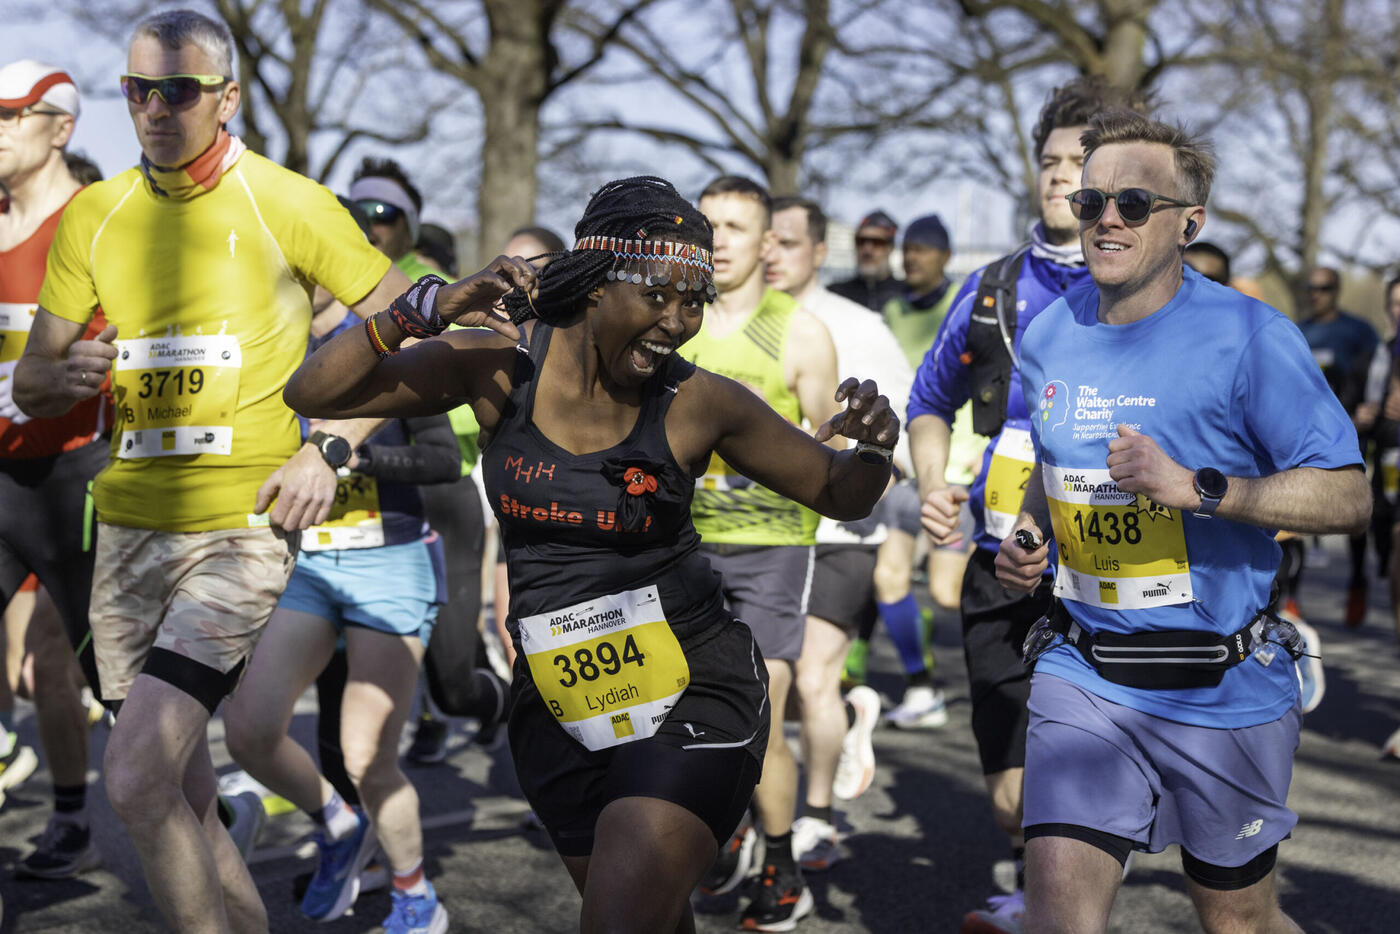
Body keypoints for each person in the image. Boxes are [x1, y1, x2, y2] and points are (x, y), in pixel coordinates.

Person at [281, 175, 899, 934]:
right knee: (649, 917)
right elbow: (315, 393)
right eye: (657, 294)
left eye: (694, 301)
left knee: (618, 919)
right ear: (598, 282)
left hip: (692, 684)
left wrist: (874, 447)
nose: (677, 322)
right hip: (558, 700)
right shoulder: (497, 367)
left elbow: (838, 491)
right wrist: (425, 307)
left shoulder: (699, 402)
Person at [12, 11, 410, 932]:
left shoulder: (289, 202)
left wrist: (330, 444)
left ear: (226, 97)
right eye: (137, 90)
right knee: (180, 794)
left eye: (178, 90)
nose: (154, 108)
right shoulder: (96, 213)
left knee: (134, 776)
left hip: (239, 527)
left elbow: (420, 337)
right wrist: (59, 377)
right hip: (126, 533)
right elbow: (30, 380)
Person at [995, 110, 1368, 934]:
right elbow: (1056, 468)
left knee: (1238, 922)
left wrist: (1199, 490)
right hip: (1085, 674)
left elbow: (1347, 496)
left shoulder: (1249, 337)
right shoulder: (1052, 332)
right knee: (1056, 918)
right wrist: (1027, 537)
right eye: (1091, 202)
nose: (1107, 220)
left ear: (1188, 224)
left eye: (1133, 203)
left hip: (1221, 686)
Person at [912, 76, 1151, 934]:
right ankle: (1047, 880)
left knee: (1085, 770)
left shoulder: (1147, 287)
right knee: (1011, 798)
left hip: (1109, 560)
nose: (1060, 174)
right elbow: (928, 401)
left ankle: (1048, 904)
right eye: (1050, 160)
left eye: (1079, 161)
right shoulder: (991, 289)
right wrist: (933, 483)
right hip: (996, 559)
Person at [225, 297, 460, 930]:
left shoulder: (392, 341)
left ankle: (417, 899)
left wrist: (354, 457)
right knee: (247, 733)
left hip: (388, 560)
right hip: (306, 563)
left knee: (365, 756)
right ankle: (339, 823)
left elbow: (446, 458)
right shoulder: (268, 340)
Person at [685, 175, 842, 930]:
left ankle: (781, 863)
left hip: (773, 547)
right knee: (683, 711)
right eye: (707, 225)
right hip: (683, 546)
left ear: (766, 242)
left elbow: (836, 446)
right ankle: (729, 828)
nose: (718, 241)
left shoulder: (800, 332)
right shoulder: (673, 322)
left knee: (760, 707)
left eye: (735, 227)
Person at [764, 194, 911, 868]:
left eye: (788, 242)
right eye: (765, 241)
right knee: (770, 683)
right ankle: (847, 720)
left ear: (820, 251)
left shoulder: (859, 326)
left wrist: (883, 479)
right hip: (759, 533)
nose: (772, 254)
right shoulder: (726, 322)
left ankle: (818, 818)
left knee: (813, 676)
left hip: (841, 532)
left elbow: (905, 423)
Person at [0, 58, 106, 878]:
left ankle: (214, 805)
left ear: (61, 126)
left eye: (13, 116)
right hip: (1, 477)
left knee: (90, 674)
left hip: (75, 476)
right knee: (28, 665)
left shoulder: (98, 221)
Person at [876, 213, 982, 726]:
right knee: (889, 578)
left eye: (922, 250)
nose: (911, 258)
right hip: (907, 467)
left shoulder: (966, 304)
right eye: (907, 249)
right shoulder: (891, 311)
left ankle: (1018, 662)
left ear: (945, 256)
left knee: (945, 593)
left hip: (957, 473)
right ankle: (922, 689)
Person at [1300, 265, 1379, 627]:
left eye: (1325, 288)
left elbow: (1377, 374)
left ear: (1337, 290)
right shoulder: (1299, 331)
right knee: (1298, 510)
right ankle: (1291, 594)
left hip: (1348, 430)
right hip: (1305, 431)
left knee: (1353, 507)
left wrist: (1367, 410)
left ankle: (1357, 578)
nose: (1317, 294)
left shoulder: (1358, 331)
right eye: (1311, 288)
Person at [829, 210, 904, 312]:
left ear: (890, 248)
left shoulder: (907, 295)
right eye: (861, 241)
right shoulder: (835, 294)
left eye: (877, 242)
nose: (867, 250)